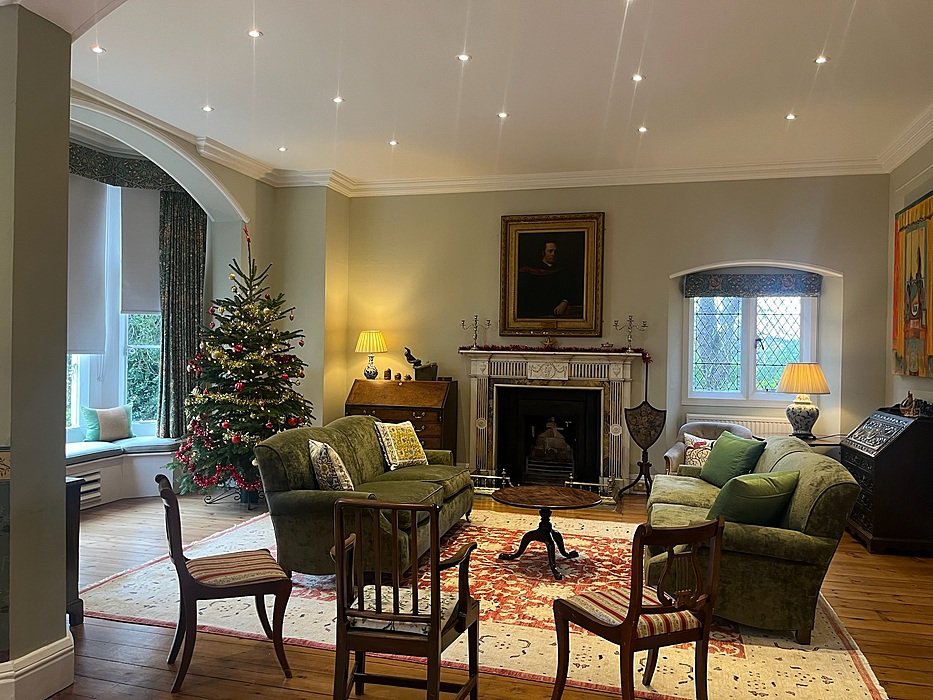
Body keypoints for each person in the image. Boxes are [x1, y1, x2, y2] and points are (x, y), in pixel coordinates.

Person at [516, 241, 582, 318]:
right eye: (550, 251)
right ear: (543, 253)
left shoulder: (562, 271)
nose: (553, 254)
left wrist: (565, 302)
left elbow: (569, 291)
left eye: (555, 251)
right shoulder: (531, 271)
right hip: (537, 314)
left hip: (558, 314)